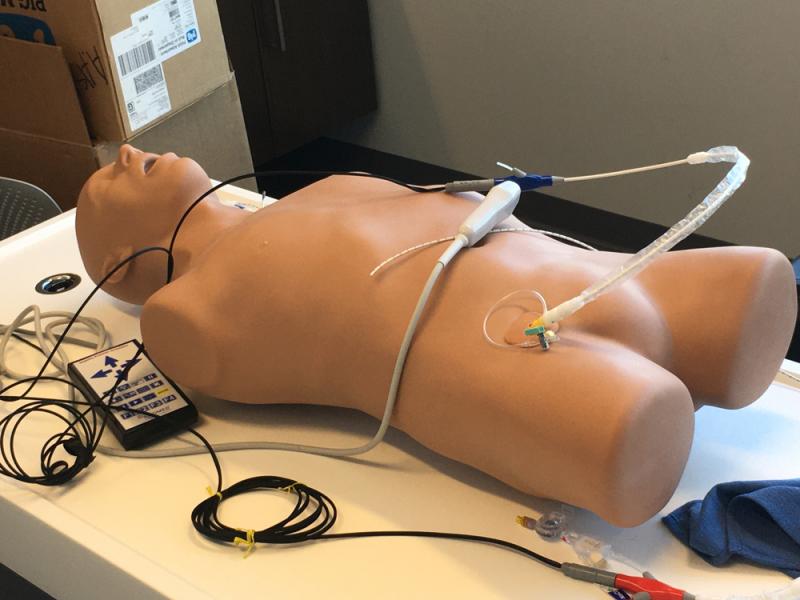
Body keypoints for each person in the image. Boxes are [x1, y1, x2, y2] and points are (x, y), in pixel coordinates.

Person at [75, 145, 796, 527]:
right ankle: (641, 393)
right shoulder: (186, 313)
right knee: (629, 421)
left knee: (747, 284)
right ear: (120, 264)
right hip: (499, 353)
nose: (127, 149)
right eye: (108, 181)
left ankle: (685, 344)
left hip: (588, 270)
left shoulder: (297, 193)